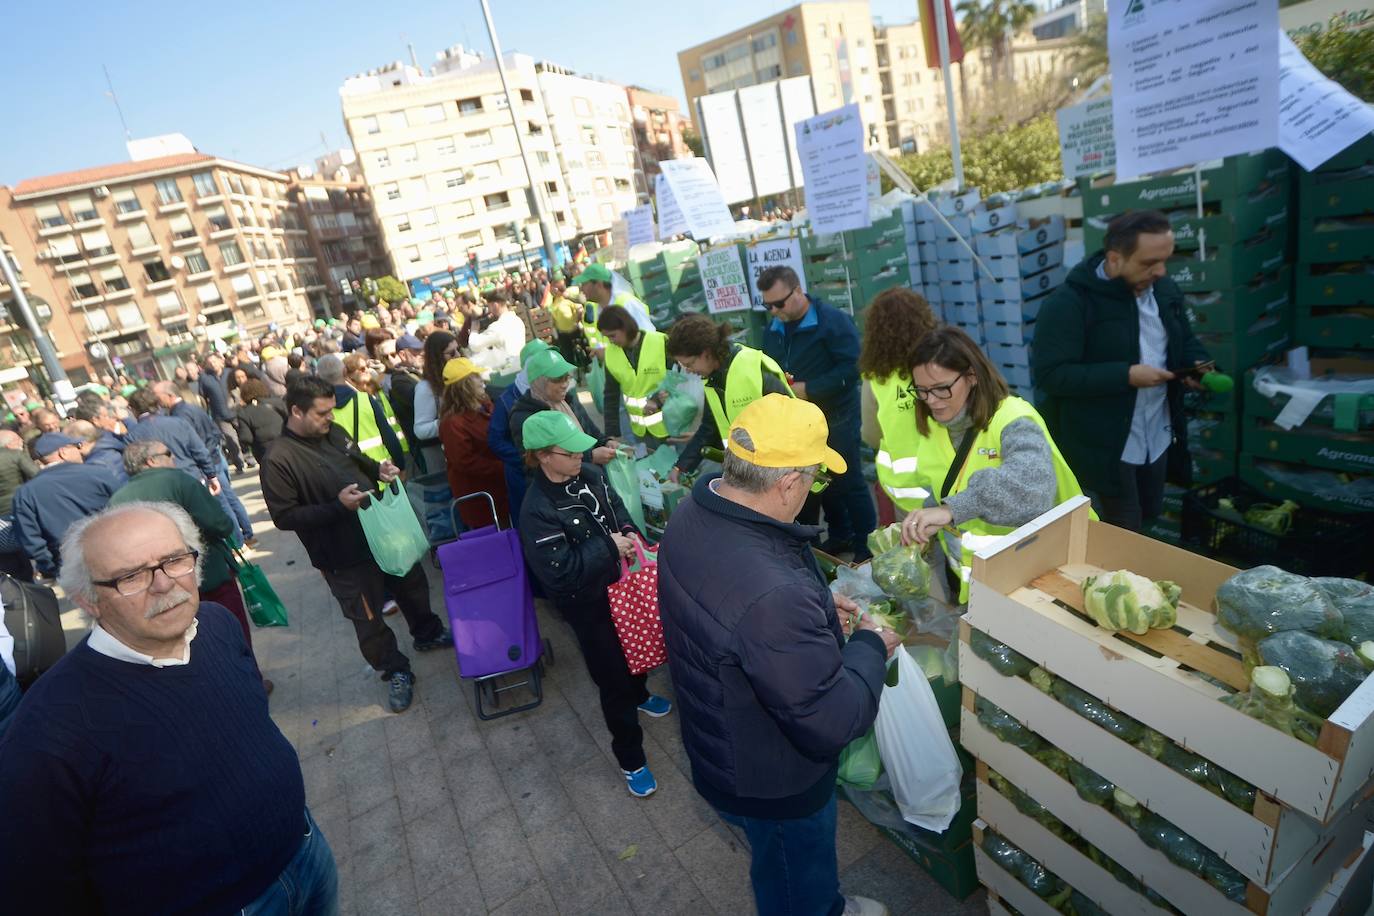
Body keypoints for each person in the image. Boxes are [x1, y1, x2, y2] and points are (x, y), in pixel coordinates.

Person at [0, 502, 334, 914]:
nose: (163, 584)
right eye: (131, 576)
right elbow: (36, 886)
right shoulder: (48, 731)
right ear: (88, 601)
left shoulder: (215, 623)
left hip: (307, 852)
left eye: (174, 560)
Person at [656, 394, 898, 916]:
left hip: (722, 745)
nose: (813, 490)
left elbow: (731, 617)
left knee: (778, 864)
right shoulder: (771, 596)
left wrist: (808, 608)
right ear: (788, 482)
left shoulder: (695, 513)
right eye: (814, 479)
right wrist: (871, 645)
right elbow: (832, 719)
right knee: (794, 876)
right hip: (774, 778)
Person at [261, 376, 453, 713]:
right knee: (368, 619)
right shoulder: (278, 458)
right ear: (296, 411)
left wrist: (380, 469)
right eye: (322, 413)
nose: (330, 418)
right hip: (342, 555)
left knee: (411, 585)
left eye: (331, 411)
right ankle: (394, 669)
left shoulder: (332, 432)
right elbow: (284, 516)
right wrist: (337, 507)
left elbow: (357, 458)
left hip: (381, 532)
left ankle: (427, 632)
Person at [517, 410, 671, 797]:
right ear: (543, 456)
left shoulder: (591, 475)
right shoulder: (536, 510)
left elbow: (618, 512)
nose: (579, 458)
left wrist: (631, 535)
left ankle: (640, 693)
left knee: (636, 647)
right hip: (587, 605)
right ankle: (631, 757)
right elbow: (559, 574)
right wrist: (607, 546)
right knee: (612, 678)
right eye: (569, 453)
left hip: (623, 585)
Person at [1033, 210, 1211, 531]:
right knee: (1123, 533)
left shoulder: (1165, 291)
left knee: (1149, 518)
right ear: (1115, 260)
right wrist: (1126, 376)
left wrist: (1198, 365)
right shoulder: (1069, 304)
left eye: (1165, 260)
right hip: (1105, 451)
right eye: (1148, 263)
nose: (1160, 271)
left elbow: (1184, 342)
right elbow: (1052, 375)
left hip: (1156, 437)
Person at [898, 327, 1090, 604]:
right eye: (922, 391)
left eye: (941, 389)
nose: (931, 401)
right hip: (984, 581)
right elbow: (943, 484)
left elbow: (1032, 489)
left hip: (1043, 575)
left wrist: (950, 510)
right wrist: (926, 517)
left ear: (972, 376)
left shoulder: (1014, 418)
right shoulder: (934, 427)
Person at [110, 440, 271, 694]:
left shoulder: (118, 499)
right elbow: (219, 523)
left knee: (185, 644)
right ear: (151, 461)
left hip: (156, 590)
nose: (173, 459)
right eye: (168, 454)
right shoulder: (179, 480)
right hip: (208, 575)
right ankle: (249, 684)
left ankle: (208, 691)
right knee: (230, 631)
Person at [759, 265, 876, 560]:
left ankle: (866, 547)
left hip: (838, 416)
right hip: (799, 423)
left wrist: (810, 389)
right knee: (820, 483)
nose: (774, 311)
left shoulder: (833, 323)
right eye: (767, 305)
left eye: (779, 304)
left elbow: (853, 368)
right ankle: (840, 535)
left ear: (798, 291)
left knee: (849, 482)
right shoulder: (773, 329)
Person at [666, 314, 793, 482]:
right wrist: (681, 466)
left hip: (786, 471)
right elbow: (709, 427)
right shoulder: (712, 377)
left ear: (705, 353)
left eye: (689, 364)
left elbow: (791, 419)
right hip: (756, 473)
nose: (688, 370)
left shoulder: (751, 369)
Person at [857, 288, 941, 515]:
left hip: (908, 495)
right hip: (953, 481)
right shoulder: (943, 363)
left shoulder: (875, 380)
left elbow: (871, 435)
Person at [151, 381, 256, 548]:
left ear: (169, 395)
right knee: (230, 500)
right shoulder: (193, 409)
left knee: (222, 504)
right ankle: (247, 535)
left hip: (207, 464)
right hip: (214, 459)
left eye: (157, 396)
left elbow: (197, 444)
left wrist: (205, 463)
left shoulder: (181, 416)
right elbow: (214, 433)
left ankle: (239, 543)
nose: (155, 400)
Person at [12, 433, 119, 579]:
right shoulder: (98, 473)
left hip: (69, 566)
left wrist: (51, 568)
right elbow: (123, 506)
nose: (80, 450)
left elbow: (30, 539)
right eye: (76, 446)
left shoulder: (25, 493)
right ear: (63, 452)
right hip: (113, 551)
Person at [510, 348, 616, 464]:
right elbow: (535, 464)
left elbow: (591, 431)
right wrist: (590, 457)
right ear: (539, 381)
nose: (565, 384)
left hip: (590, 473)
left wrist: (607, 442)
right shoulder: (526, 418)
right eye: (558, 379)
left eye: (567, 377)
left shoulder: (568, 401)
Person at [438, 357, 510, 528]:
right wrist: (505, 467)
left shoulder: (485, 405)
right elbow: (465, 462)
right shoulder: (453, 423)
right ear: (464, 385)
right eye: (476, 377)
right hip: (482, 500)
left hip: (500, 491)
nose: (481, 380)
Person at [489, 339, 554, 525]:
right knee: (532, 525)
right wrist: (526, 458)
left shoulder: (556, 392)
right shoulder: (508, 399)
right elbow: (495, 440)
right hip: (523, 478)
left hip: (555, 470)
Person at [597, 304, 669, 443]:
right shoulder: (611, 354)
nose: (611, 341)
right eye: (607, 337)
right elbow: (611, 396)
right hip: (641, 432)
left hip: (673, 424)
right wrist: (611, 434)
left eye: (613, 335)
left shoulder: (660, 341)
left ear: (625, 327)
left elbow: (679, 379)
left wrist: (658, 400)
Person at [321, 353, 408, 468]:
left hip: (350, 477)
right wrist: (400, 465)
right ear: (344, 372)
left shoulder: (320, 410)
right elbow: (388, 435)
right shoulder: (365, 400)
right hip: (382, 471)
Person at [411, 330, 459, 474]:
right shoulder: (425, 388)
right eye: (451, 353)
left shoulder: (458, 377)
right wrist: (452, 421)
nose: (458, 356)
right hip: (441, 457)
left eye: (458, 350)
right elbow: (420, 430)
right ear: (438, 357)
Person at [199, 352, 250, 472]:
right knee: (231, 440)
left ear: (221, 361)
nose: (213, 364)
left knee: (244, 436)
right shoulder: (204, 378)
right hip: (220, 414)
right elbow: (203, 398)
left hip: (238, 410)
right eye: (210, 363)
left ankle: (249, 457)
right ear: (206, 365)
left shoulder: (230, 372)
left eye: (215, 361)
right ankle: (240, 464)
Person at [0, 429, 38, 580]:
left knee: (9, 557)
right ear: (10, 444)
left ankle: (20, 587)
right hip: (19, 510)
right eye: (18, 441)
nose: (21, 443)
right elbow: (37, 476)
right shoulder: (15, 456)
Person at [572, 262, 654, 332]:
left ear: (599, 285)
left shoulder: (627, 304)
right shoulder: (599, 309)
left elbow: (648, 337)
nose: (581, 289)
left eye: (584, 284)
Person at [466, 292, 526, 374]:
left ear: (495, 305)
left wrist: (474, 330)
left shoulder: (497, 327)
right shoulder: (517, 320)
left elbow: (475, 345)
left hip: (509, 372)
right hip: (522, 365)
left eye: (489, 306)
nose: (489, 311)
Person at [387, 332, 425, 458]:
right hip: (423, 442)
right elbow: (420, 401)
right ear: (402, 355)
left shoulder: (422, 370)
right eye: (416, 351)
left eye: (422, 350)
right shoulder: (399, 380)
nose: (421, 354)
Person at [234, 378, 288, 465]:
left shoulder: (244, 413)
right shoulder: (278, 402)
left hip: (264, 452)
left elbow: (246, 438)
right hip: (286, 444)